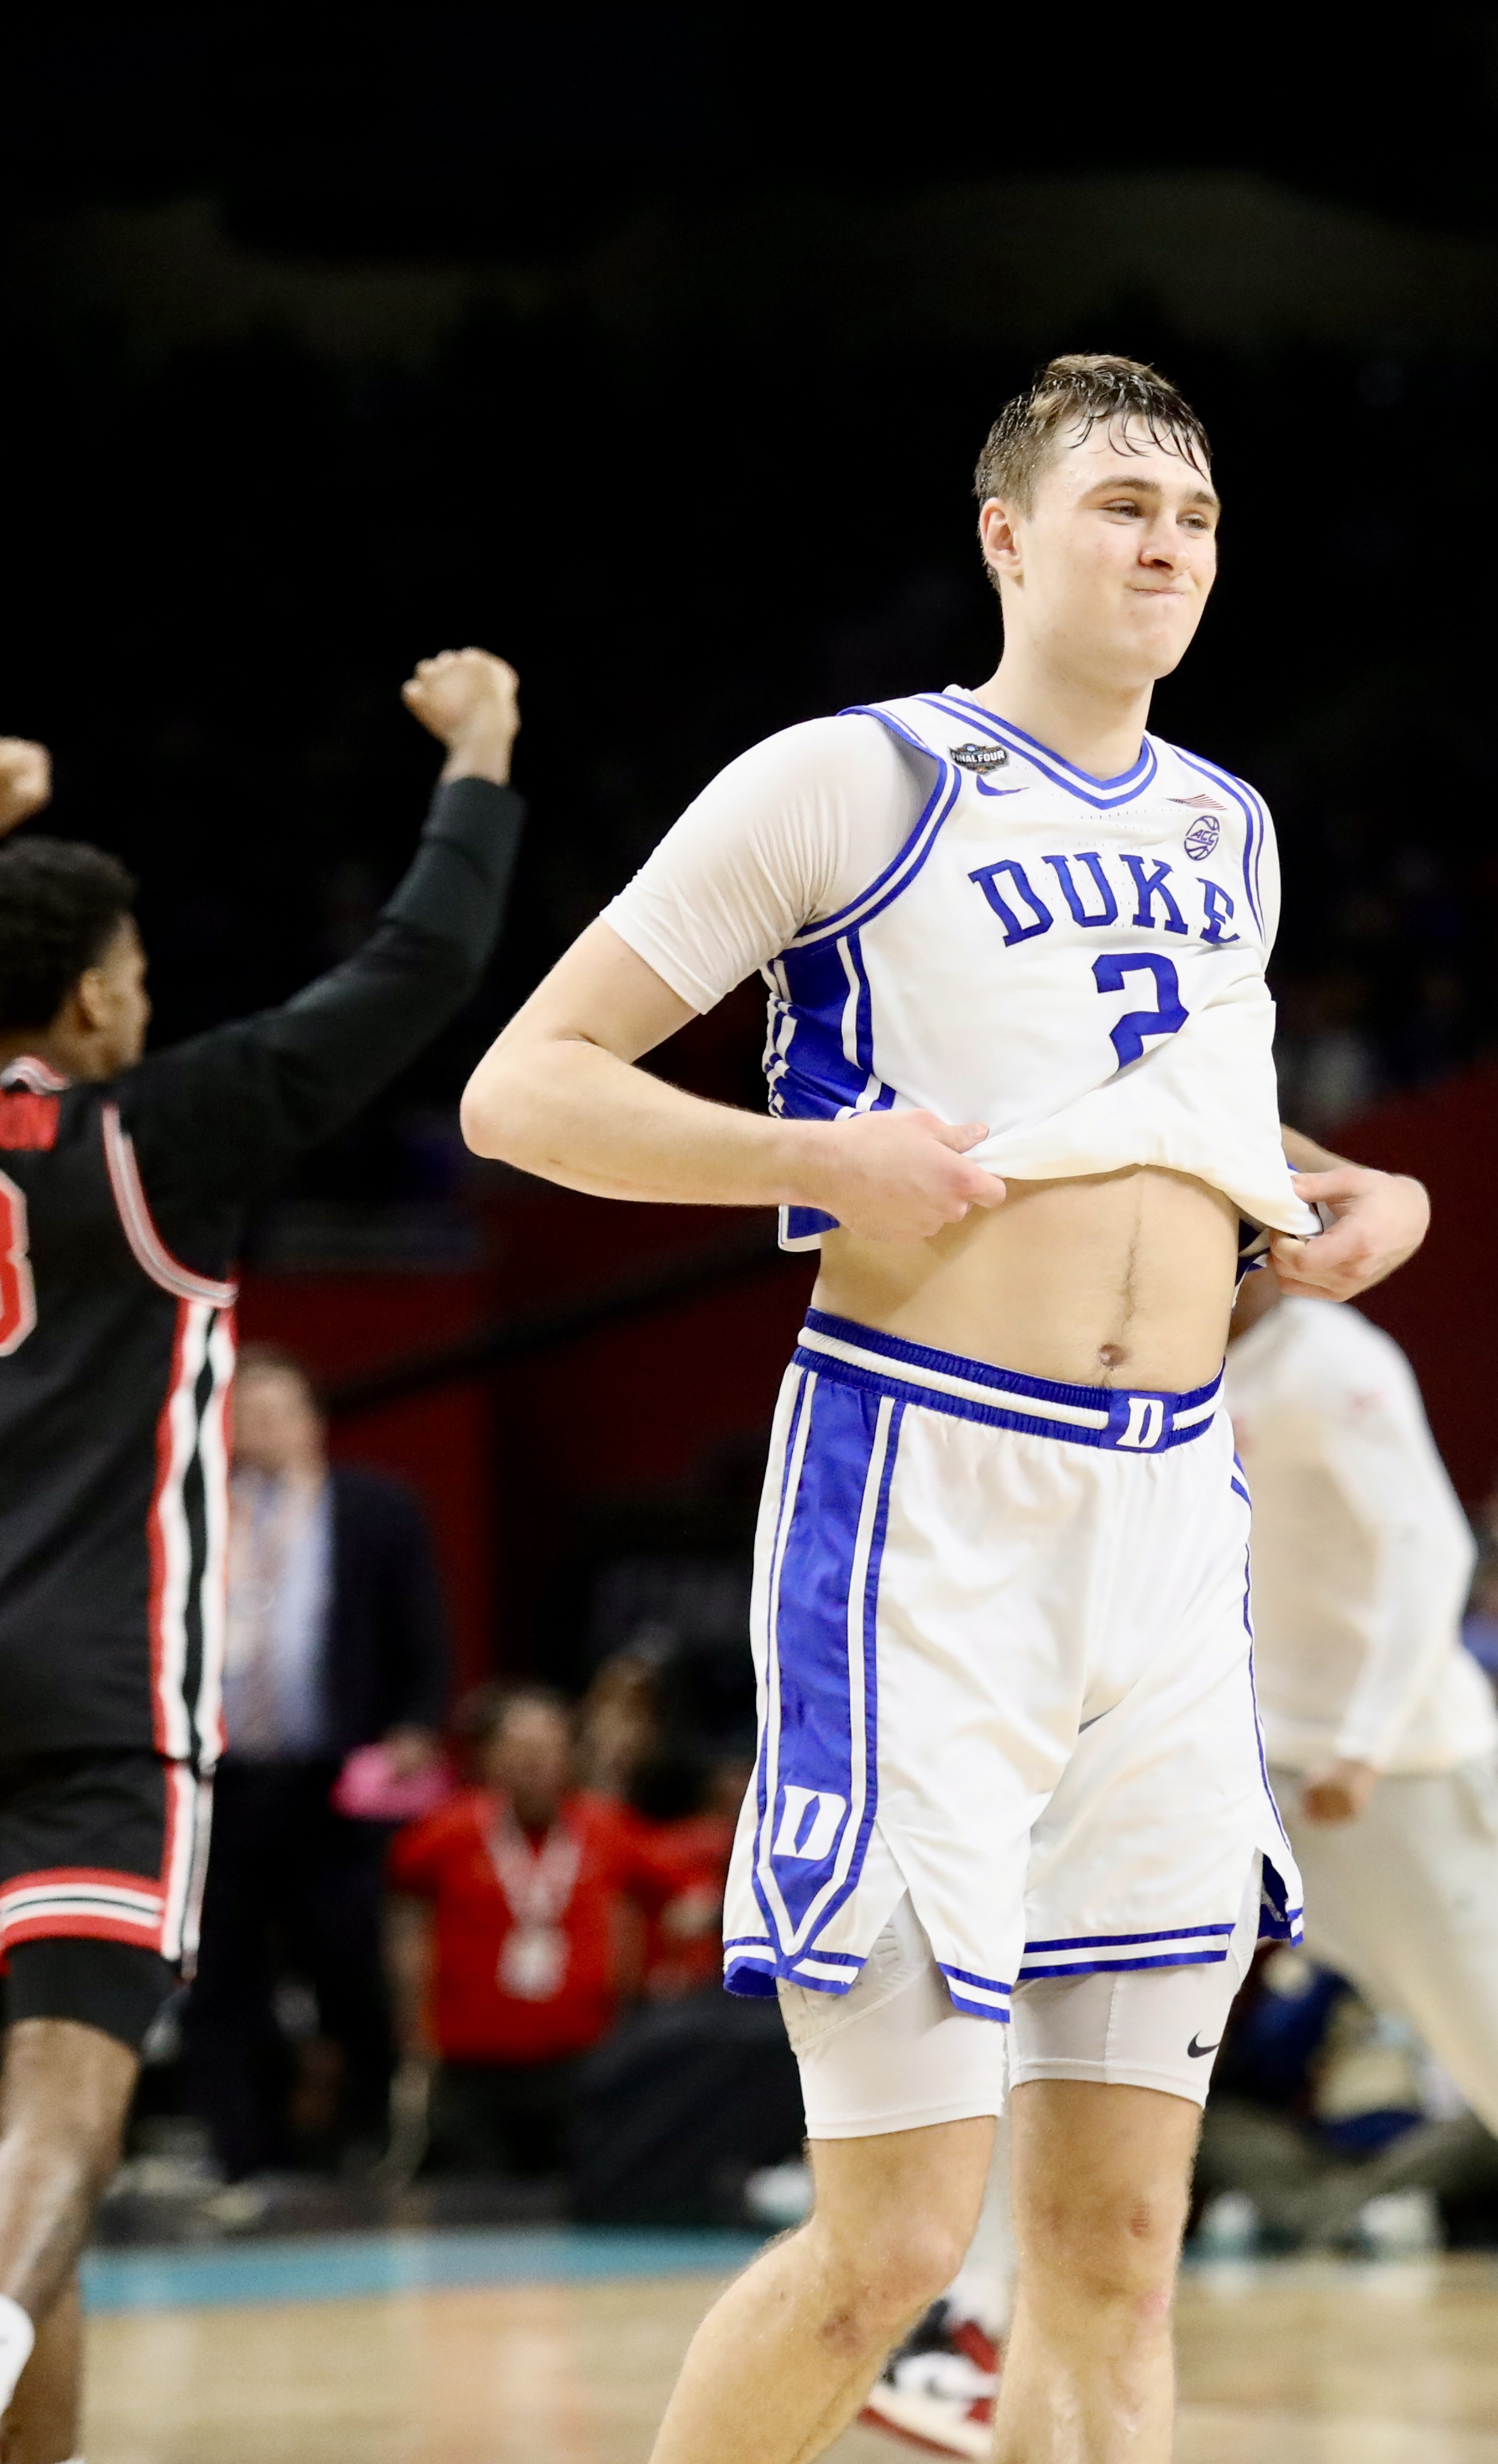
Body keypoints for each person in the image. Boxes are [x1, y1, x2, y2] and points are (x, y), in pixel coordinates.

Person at [460, 354, 1430, 2463]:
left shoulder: (1227, 823)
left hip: (1173, 1523)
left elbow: (1202, 1126)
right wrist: (816, 1156)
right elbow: (522, 1090)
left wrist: (1369, 1194)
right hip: (928, 1495)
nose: (1164, 539)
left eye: (1193, 510)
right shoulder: (854, 777)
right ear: (1005, 534)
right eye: (1116, 501)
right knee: (898, 2235)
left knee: (1116, 2250)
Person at [0, 648, 524, 2464]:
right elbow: (414, 968)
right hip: (102, 1691)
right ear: (99, 998)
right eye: (139, 976)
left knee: (28, 2147)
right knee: (70, 2115)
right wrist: (484, 758)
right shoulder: (156, 1133)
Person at [1224, 1273, 1498, 2190]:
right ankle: (981, 2304)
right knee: (1077, 2015)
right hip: (1235, 1765)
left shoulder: (1329, 1358)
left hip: (1390, 1778)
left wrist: (1362, 1742)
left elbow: (1429, 1549)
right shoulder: (1147, 1356)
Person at [186, 1342, 453, 2179]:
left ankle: (361, 2133)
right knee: (220, 1971)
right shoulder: (190, 1511)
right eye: (242, 1411)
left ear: (312, 1421)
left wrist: (415, 1723)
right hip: (221, 1782)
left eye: (274, 1410)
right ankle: (241, 2150)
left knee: (346, 1955)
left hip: (334, 1780)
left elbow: (422, 1631)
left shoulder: (374, 1509)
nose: (257, 1427)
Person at [387, 1684, 704, 2176]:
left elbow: (689, 1897)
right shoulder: (445, 1832)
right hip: (471, 2071)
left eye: (546, 1748)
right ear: (487, 1756)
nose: (532, 1763)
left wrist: (673, 1965)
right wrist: (411, 2021)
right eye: (517, 1749)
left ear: (569, 1756)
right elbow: (402, 1913)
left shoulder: (605, 1827)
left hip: (581, 2065)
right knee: (473, 2212)